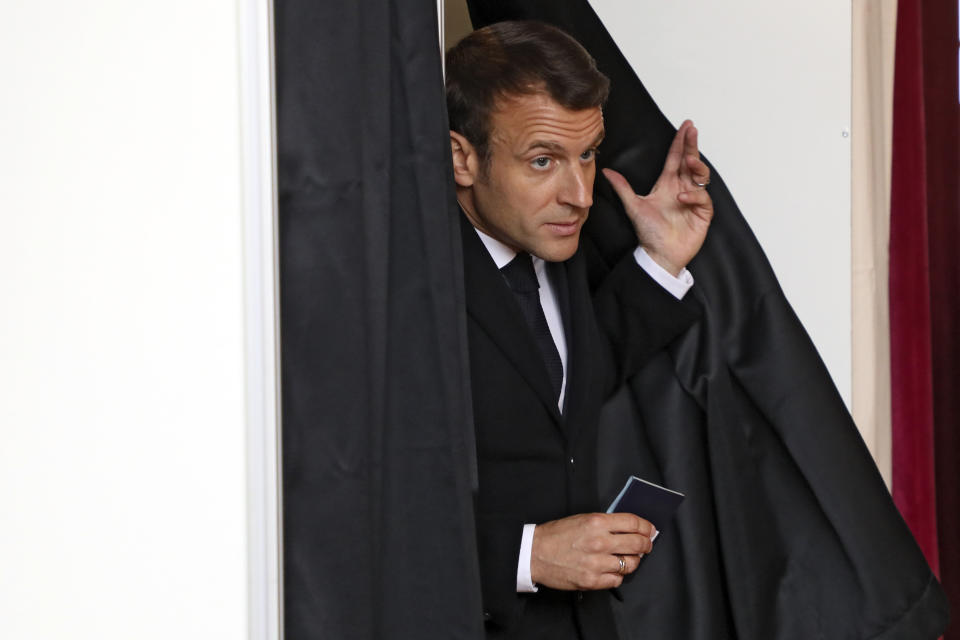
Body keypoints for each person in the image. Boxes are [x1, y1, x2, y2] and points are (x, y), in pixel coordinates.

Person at [446, 20, 713, 639]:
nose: (579, 194)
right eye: (543, 160)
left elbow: (562, 381)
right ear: (463, 157)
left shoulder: (554, 246)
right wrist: (524, 556)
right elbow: (353, 499)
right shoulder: (412, 291)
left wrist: (662, 261)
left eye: (587, 154)